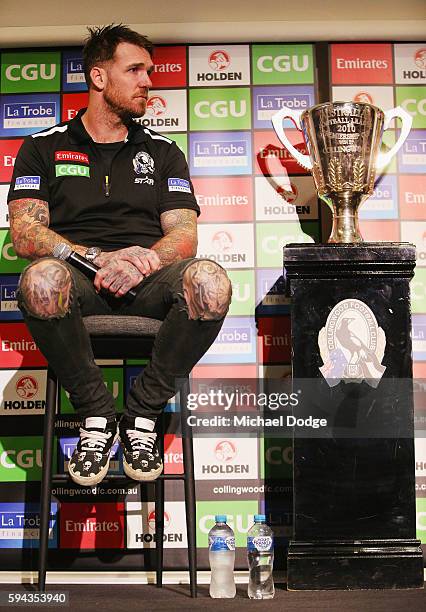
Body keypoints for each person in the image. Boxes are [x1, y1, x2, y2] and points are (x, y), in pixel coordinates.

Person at [7, 24, 232, 487]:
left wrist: (142, 262)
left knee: (210, 282)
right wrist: (94, 259)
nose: (148, 80)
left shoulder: (163, 151)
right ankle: (96, 413)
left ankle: (142, 416)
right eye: (135, 70)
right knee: (40, 280)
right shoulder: (43, 146)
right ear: (99, 77)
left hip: (148, 278)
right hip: (79, 278)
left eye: (148, 71)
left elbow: (185, 236)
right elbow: (26, 234)